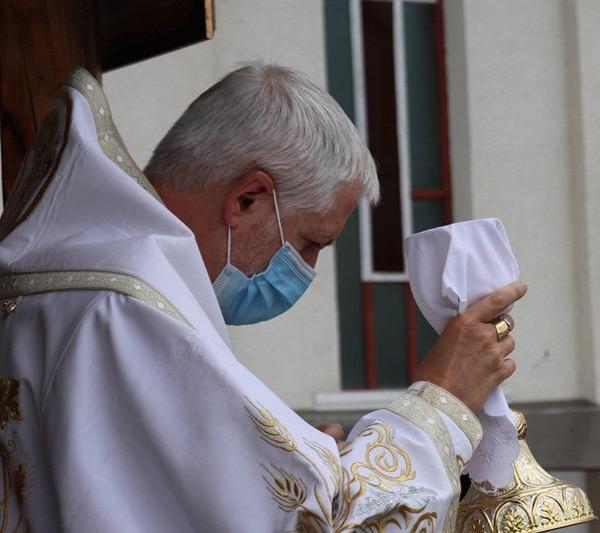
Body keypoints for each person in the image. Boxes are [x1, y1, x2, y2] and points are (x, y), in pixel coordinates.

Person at [0, 63, 526, 532]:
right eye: (310, 243)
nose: (308, 270)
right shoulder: (125, 309)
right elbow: (329, 522)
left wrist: (293, 455)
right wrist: (443, 399)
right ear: (248, 198)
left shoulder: (89, 275)